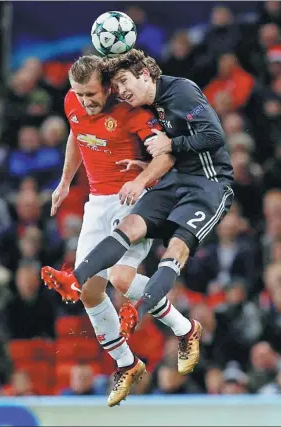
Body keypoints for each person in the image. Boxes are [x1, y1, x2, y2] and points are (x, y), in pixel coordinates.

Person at [42, 49, 234, 385]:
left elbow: (212, 137)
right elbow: (77, 134)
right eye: (116, 85)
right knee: (92, 288)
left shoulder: (177, 93)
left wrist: (153, 165)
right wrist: (64, 182)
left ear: (146, 74)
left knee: (151, 264)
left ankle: (174, 324)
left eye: (122, 83)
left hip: (207, 186)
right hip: (145, 190)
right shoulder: (122, 104)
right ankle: (126, 358)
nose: (121, 91)